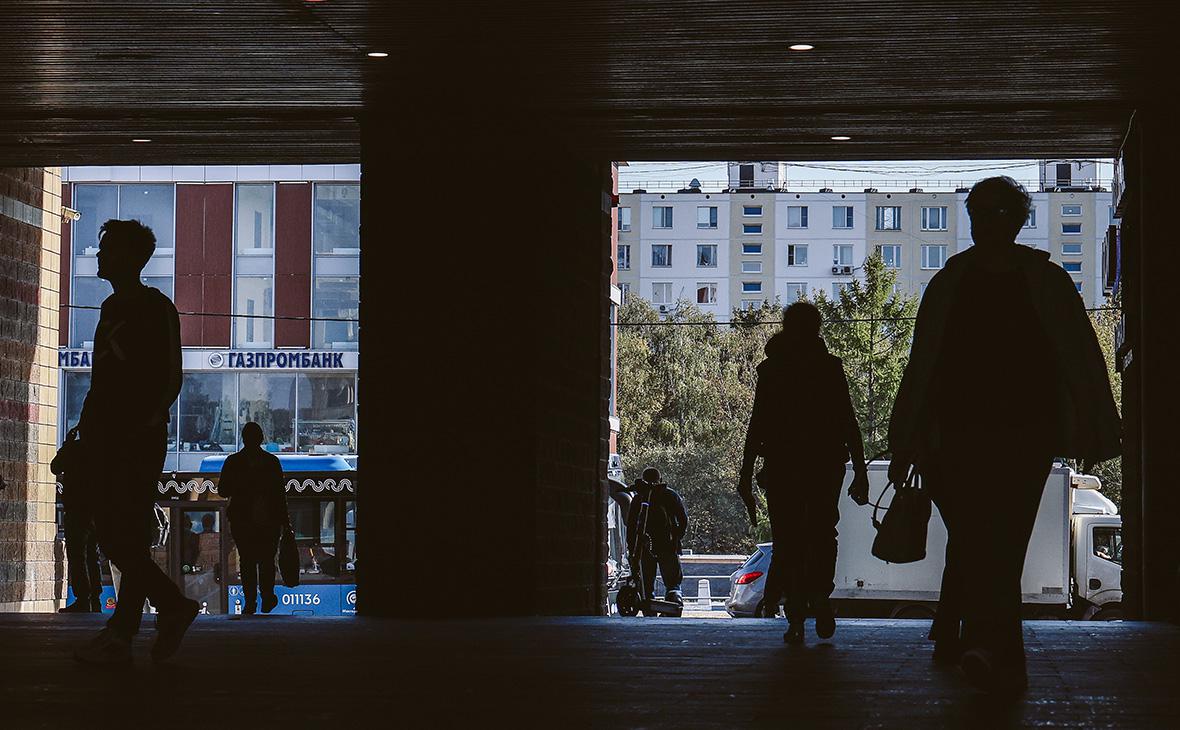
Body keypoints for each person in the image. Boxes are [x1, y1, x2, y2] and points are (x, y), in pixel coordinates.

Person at [889, 176, 1120, 693]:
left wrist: (907, 437)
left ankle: (977, 642)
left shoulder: (952, 282)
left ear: (1012, 220)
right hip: (1020, 438)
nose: (984, 223)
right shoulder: (1045, 282)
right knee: (999, 544)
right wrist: (1094, 429)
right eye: (980, 213)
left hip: (961, 439)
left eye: (989, 213)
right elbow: (1081, 362)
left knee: (977, 542)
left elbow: (922, 366)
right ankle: (991, 649)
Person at [70, 219, 198, 664]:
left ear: (127, 257)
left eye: (105, 249)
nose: (98, 256)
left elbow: (169, 375)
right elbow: (100, 377)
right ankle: (125, 628)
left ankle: (169, 608)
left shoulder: (154, 307)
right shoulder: (111, 309)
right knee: (119, 532)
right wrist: (86, 429)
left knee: (116, 533)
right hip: (109, 436)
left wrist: (142, 422)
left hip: (134, 439)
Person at [739, 302, 869, 645]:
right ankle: (820, 597)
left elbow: (758, 425)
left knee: (788, 540)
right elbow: (847, 421)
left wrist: (745, 473)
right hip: (824, 465)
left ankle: (796, 616)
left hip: (783, 467)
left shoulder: (772, 371)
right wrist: (859, 470)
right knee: (824, 533)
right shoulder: (829, 368)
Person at [219, 422, 288, 614]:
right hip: (269, 520)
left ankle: (250, 602)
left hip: (242, 520)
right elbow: (280, 496)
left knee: (247, 561)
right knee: (267, 560)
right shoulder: (272, 462)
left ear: (243, 438)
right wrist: (284, 521)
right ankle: (267, 596)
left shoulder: (232, 462)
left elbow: (223, 490)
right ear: (261, 439)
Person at [625, 467, 688, 611]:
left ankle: (649, 609)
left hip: (644, 546)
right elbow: (683, 520)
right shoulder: (670, 495)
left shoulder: (639, 497)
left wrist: (632, 547)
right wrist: (676, 538)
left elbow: (632, 525)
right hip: (668, 545)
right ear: (660, 479)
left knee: (647, 583)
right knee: (673, 583)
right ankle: (674, 604)